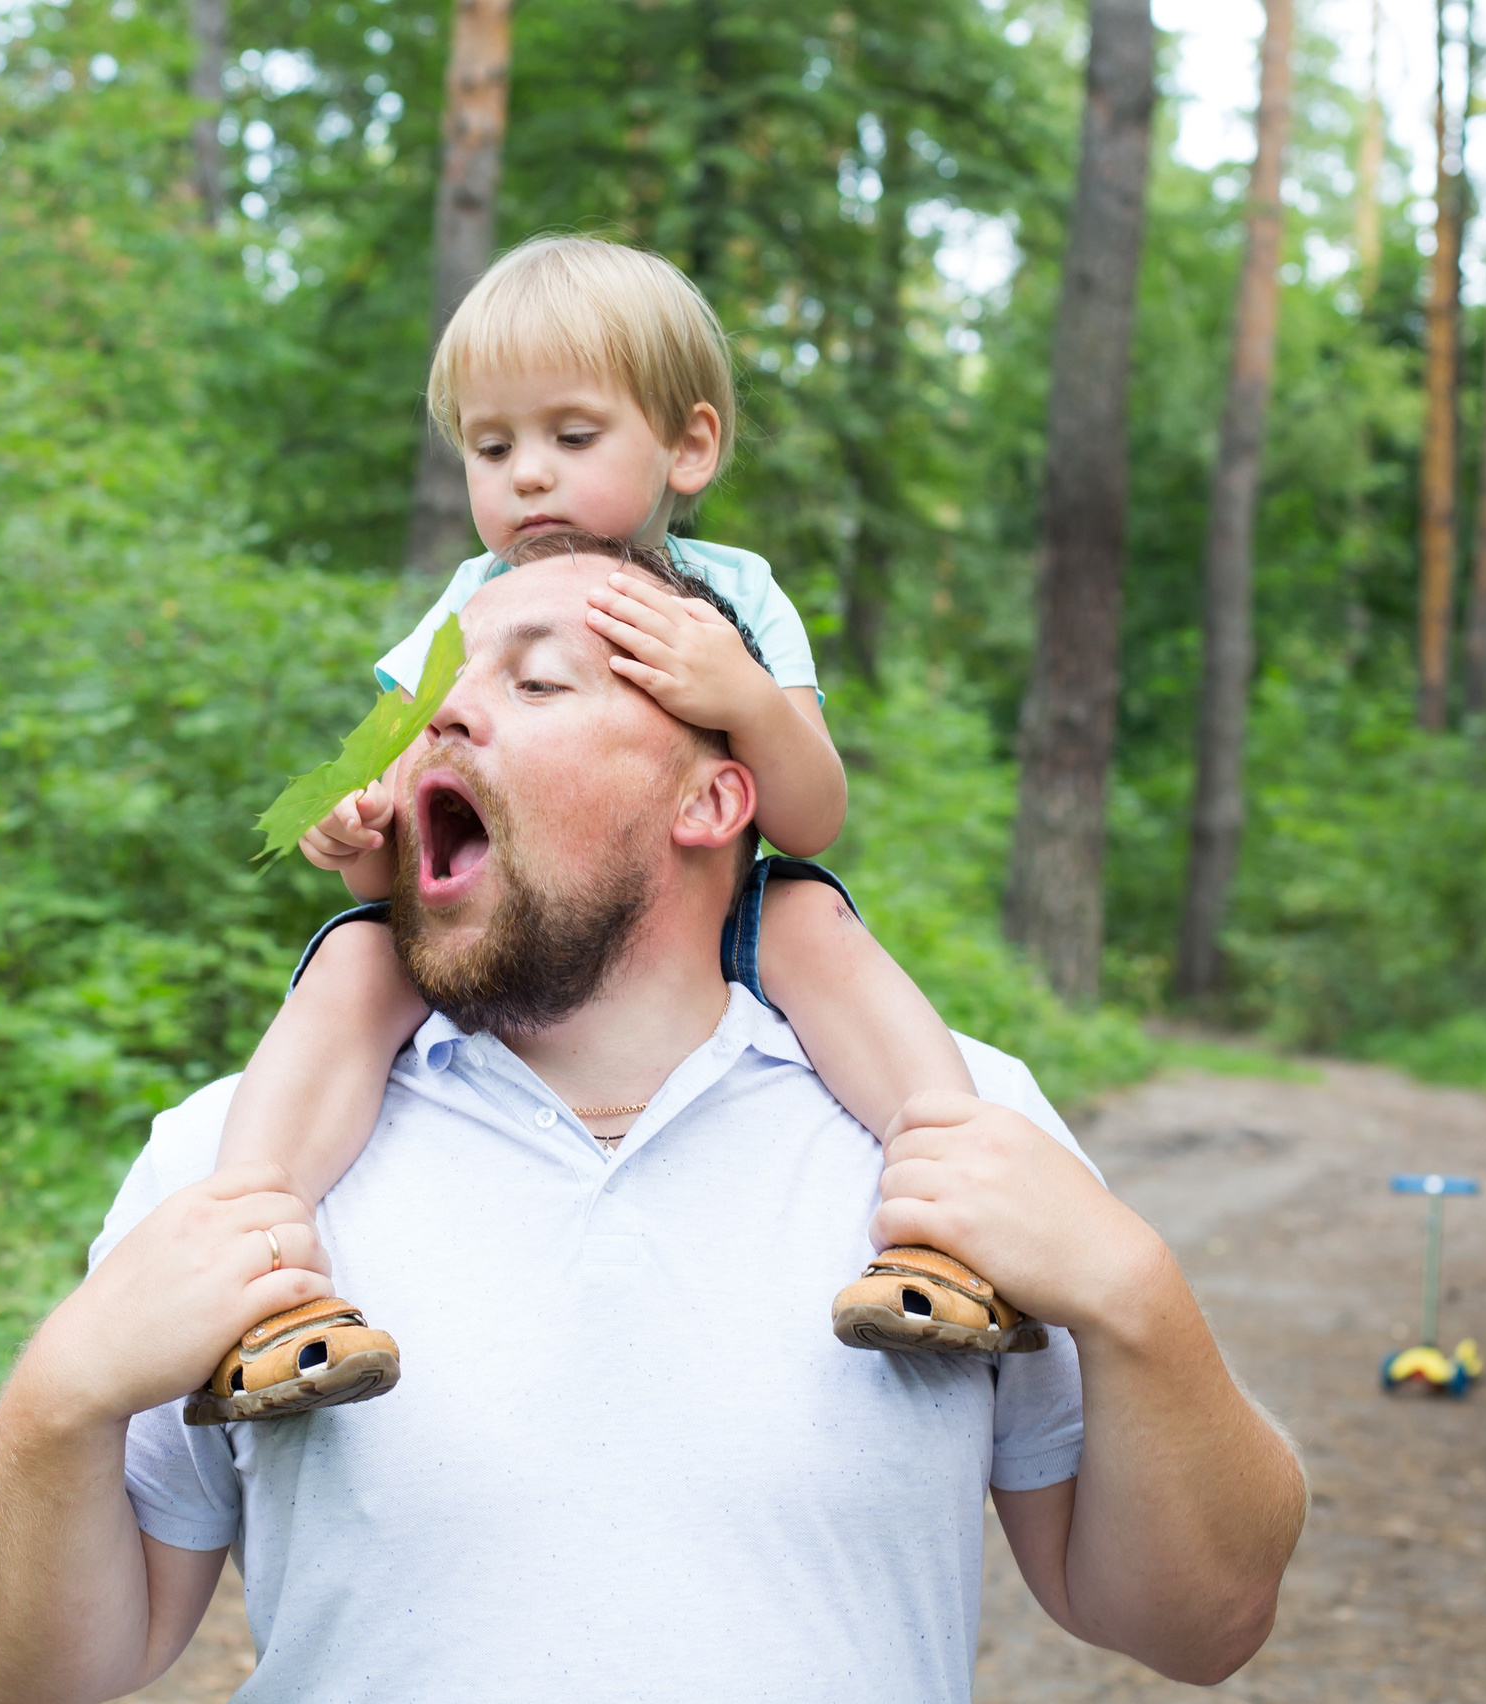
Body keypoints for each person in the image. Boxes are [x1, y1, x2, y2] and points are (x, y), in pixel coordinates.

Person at [0, 534, 1307, 1704]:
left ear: (714, 796)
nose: (443, 716)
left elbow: (1200, 1627)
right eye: (440, 692)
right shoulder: (241, 1161)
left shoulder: (955, 1129)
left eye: (541, 681)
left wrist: (1136, 1296)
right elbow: (28, 1670)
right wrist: (57, 1398)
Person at [200, 234, 1027, 1424]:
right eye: (493, 448)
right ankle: (260, 1274)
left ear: (686, 445)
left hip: (705, 902)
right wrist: (355, 815)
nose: (526, 477)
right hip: (490, 905)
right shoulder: (465, 603)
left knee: (816, 924)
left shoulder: (732, 594)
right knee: (347, 960)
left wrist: (740, 694)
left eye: (570, 437)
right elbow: (397, 775)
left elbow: (811, 816)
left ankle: (944, 1226)